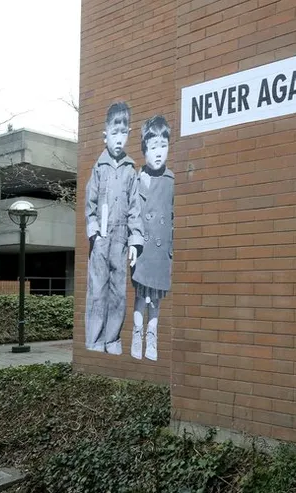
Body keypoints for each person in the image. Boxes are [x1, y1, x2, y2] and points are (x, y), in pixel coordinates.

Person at [84, 102, 143, 355]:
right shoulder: (99, 168)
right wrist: (95, 233)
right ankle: (95, 340)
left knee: (119, 292)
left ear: (128, 134)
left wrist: (134, 240)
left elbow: (135, 208)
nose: (119, 139)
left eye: (123, 133)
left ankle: (113, 339)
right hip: (102, 238)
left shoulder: (132, 170)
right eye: (114, 133)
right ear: (105, 135)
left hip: (121, 239)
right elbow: (90, 203)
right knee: (98, 291)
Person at [130, 115, 174, 361]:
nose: (159, 153)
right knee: (140, 296)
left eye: (163, 146)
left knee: (155, 299)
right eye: (153, 147)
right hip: (143, 248)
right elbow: (132, 213)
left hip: (161, 250)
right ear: (145, 149)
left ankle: (152, 335)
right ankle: (137, 333)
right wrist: (133, 242)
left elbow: (175, 215)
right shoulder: (138, 178)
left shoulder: (171, 180)